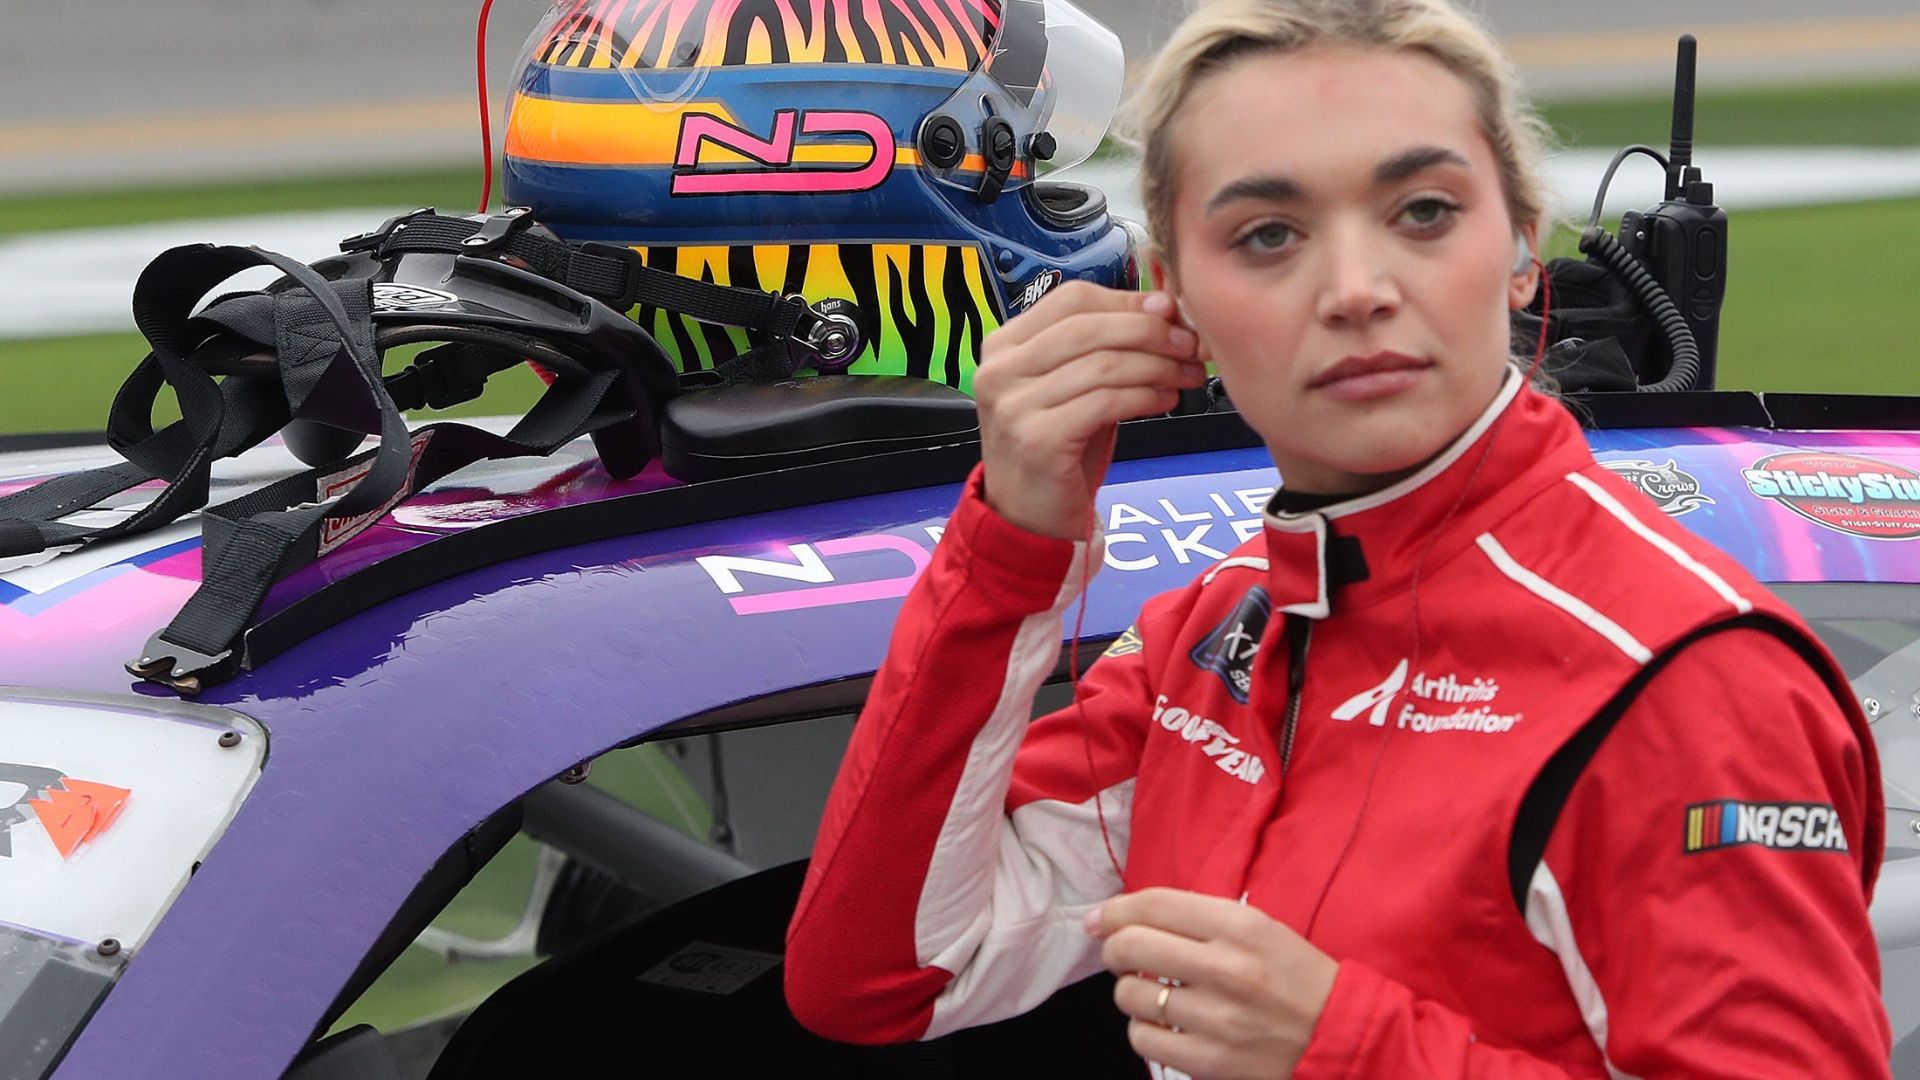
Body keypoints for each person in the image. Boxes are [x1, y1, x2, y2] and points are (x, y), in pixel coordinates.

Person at [783, 0, 1890, 1075]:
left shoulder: (1685, 682)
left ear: (1521, 247)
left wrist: (1342, 1049)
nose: (1357, 290)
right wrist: (1011, 538)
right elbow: (884, 975)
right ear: (1175, 301)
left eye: (1422, 212)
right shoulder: (1221, 634)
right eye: (1268, 235)